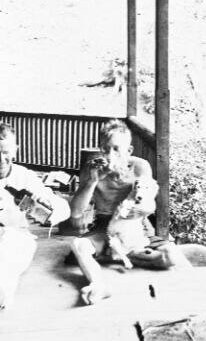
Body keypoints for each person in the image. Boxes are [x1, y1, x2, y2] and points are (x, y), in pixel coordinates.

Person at [0, 122, 70, 321]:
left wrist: (48, 205)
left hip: (10, 249)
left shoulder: (26, 177)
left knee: (19, 240)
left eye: (7, 152)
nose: (1, 159)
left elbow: (64, 210)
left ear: (15, 150)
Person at [69, 119, 161, 304]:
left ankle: (124, 254)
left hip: (137, 225)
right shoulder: (92, 168)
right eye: (106, 149)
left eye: (117, 149)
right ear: (100, 149)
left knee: (169, 257)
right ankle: (98, 285)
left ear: (129, 151)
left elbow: (150, 204)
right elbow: (75, 213)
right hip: (104, 225)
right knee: (78, 245)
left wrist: (141, 210)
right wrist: (93, 181)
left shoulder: (140, 166)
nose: (111, 154)